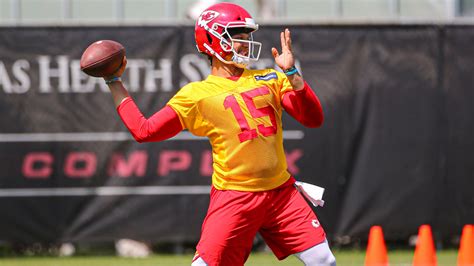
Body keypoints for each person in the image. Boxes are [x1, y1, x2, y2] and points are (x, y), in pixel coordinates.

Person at [103, 2, 336, 265]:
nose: (246, 43)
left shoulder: (271, 77)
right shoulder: (196, 95)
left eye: (247, 36)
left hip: (281, 193)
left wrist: (293, 75)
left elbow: (313, 119)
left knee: (324, 261)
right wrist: (114, 82)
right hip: (235, 196)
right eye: (237, 37)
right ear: (212, 40)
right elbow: (144, 131)